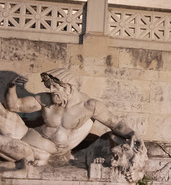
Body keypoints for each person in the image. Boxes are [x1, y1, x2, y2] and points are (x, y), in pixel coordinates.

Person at [0, 69, 137, 168]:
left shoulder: (90, 106)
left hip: (37, 152)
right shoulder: (46, 99)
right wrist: (11, 87)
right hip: (24, 133)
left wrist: (133, 135)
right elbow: (14, 106)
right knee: (3, 112)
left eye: (54, 86)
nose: (51, 90)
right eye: (49, 87)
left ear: (68, 86)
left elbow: (116, 125)